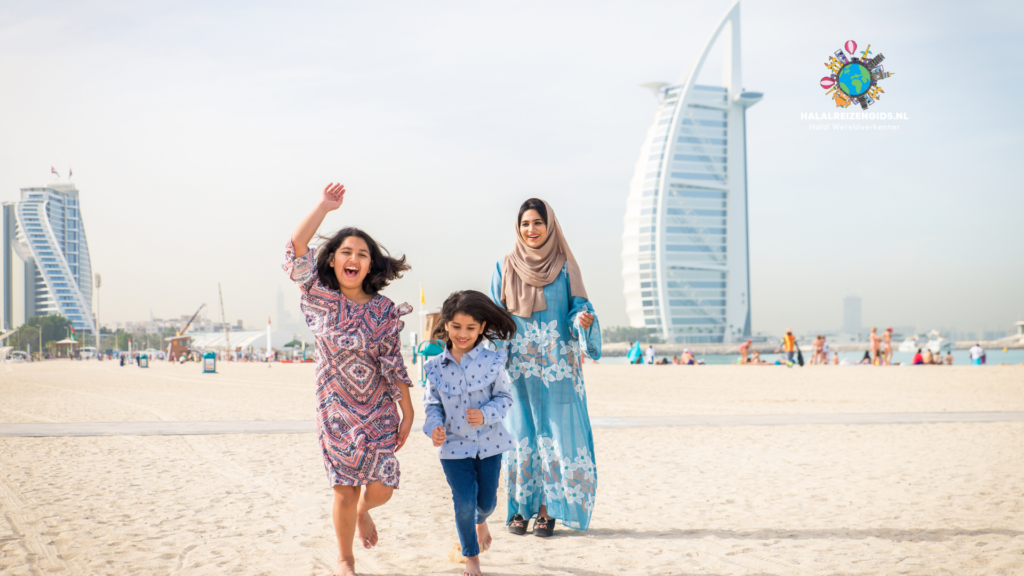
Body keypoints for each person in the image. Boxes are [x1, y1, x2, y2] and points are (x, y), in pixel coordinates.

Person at [284, 183, 414, 576]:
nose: (354, 258)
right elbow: (295, 248)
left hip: (378, 407)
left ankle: (364, 512)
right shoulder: (317, 295)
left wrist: (407, 410)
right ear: (334, 261)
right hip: (335, 406)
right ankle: (345, 560)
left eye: (362, 254)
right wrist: (325, 207)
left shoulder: (384, 309)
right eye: (346, 252)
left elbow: (394, 362)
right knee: (344, 486)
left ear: (371, 265)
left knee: (383, 487)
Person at [490, 198, 600, 537]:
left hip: (558, 366)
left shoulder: (566, 266)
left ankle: (547, 509)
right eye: (525, 224)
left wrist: (581, 319)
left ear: (549, 226)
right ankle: (521, 508)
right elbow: (495, 315)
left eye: (538, 223)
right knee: (521, 436)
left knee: (555, 436)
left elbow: (577, 308)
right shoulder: (505, 265)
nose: (531, 229)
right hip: (519, 366)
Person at [423, 291, 518, 576]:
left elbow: (505, 398)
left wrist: (486, 413)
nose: (462, 334)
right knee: (463, 501)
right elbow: (431, 405)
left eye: (470, 328)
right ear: (446, 324)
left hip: (491, 445)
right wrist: (434, 428)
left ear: (482, 328)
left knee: (486, 504)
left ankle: (481, 520)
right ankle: (471, 557)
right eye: (456, 326)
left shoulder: (492, 362)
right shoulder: (434, 368)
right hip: (452, 448)